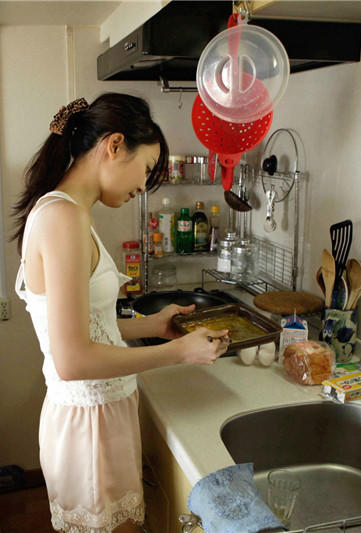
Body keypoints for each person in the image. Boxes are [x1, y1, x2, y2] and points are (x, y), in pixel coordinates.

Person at [13, 93, 230, 533]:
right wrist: (180, 353)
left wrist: (153, 325)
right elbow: (73, 360)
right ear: (114, 145)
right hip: (88, 428)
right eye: (146, 169)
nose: (143, 186)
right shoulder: (63, 218)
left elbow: (84, 326)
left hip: (98, 417)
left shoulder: (69, 213)